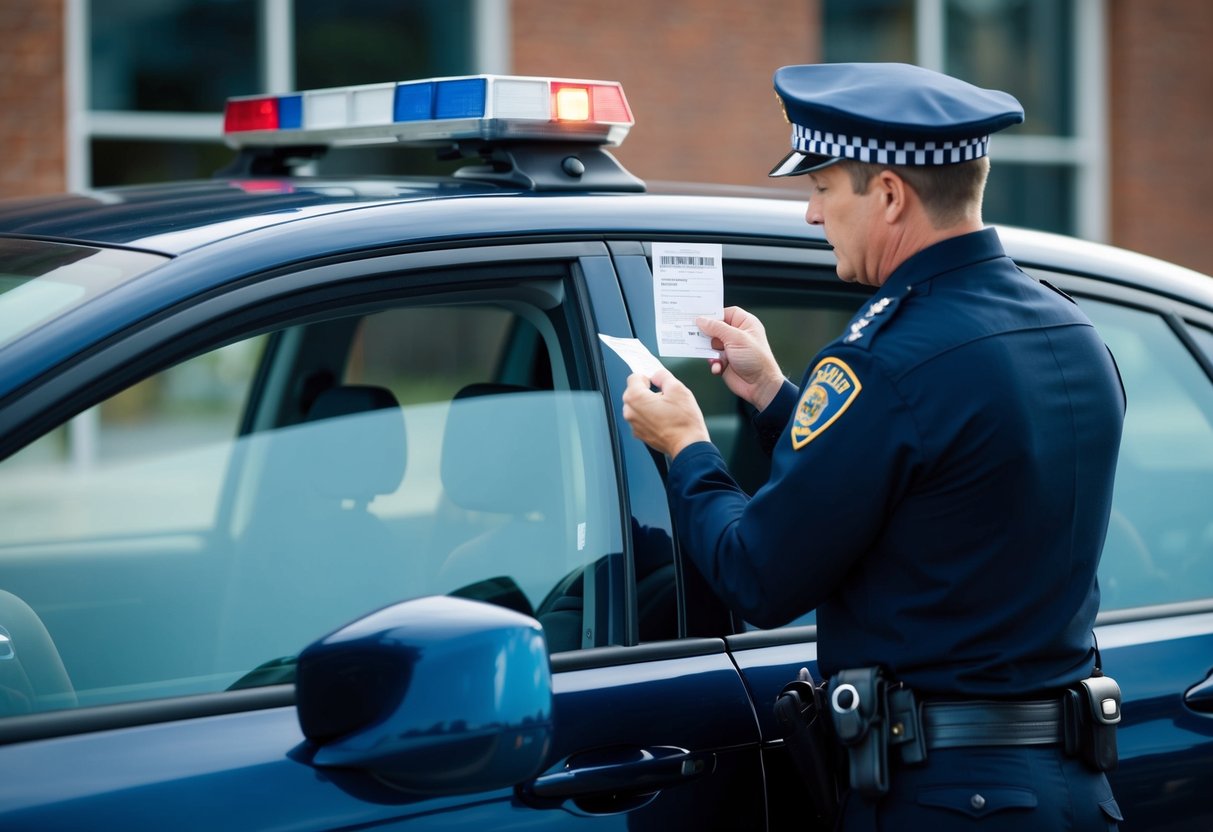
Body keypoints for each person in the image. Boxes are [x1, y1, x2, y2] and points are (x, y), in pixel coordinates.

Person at [622, 62, 1126, 830]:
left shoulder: (882, 361)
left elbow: (756, 577)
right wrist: (774, 398)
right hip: (1075, 793)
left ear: (888, 194)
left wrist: (686, 445)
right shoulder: (1069, 329)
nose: (811, 216)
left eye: (822, 189)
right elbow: (931, 486)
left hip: (948, 800)